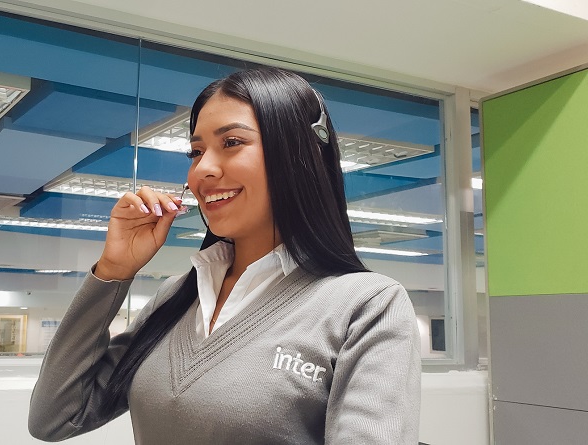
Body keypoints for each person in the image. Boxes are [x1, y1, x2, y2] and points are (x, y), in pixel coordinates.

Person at [29, 67, 421, 444]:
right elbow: (56, 416)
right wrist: (114, 270)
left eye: (231, 142)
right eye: (196, 151)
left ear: (299, 154)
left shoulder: (366, 304)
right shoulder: (176, 297)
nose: (202, 170)